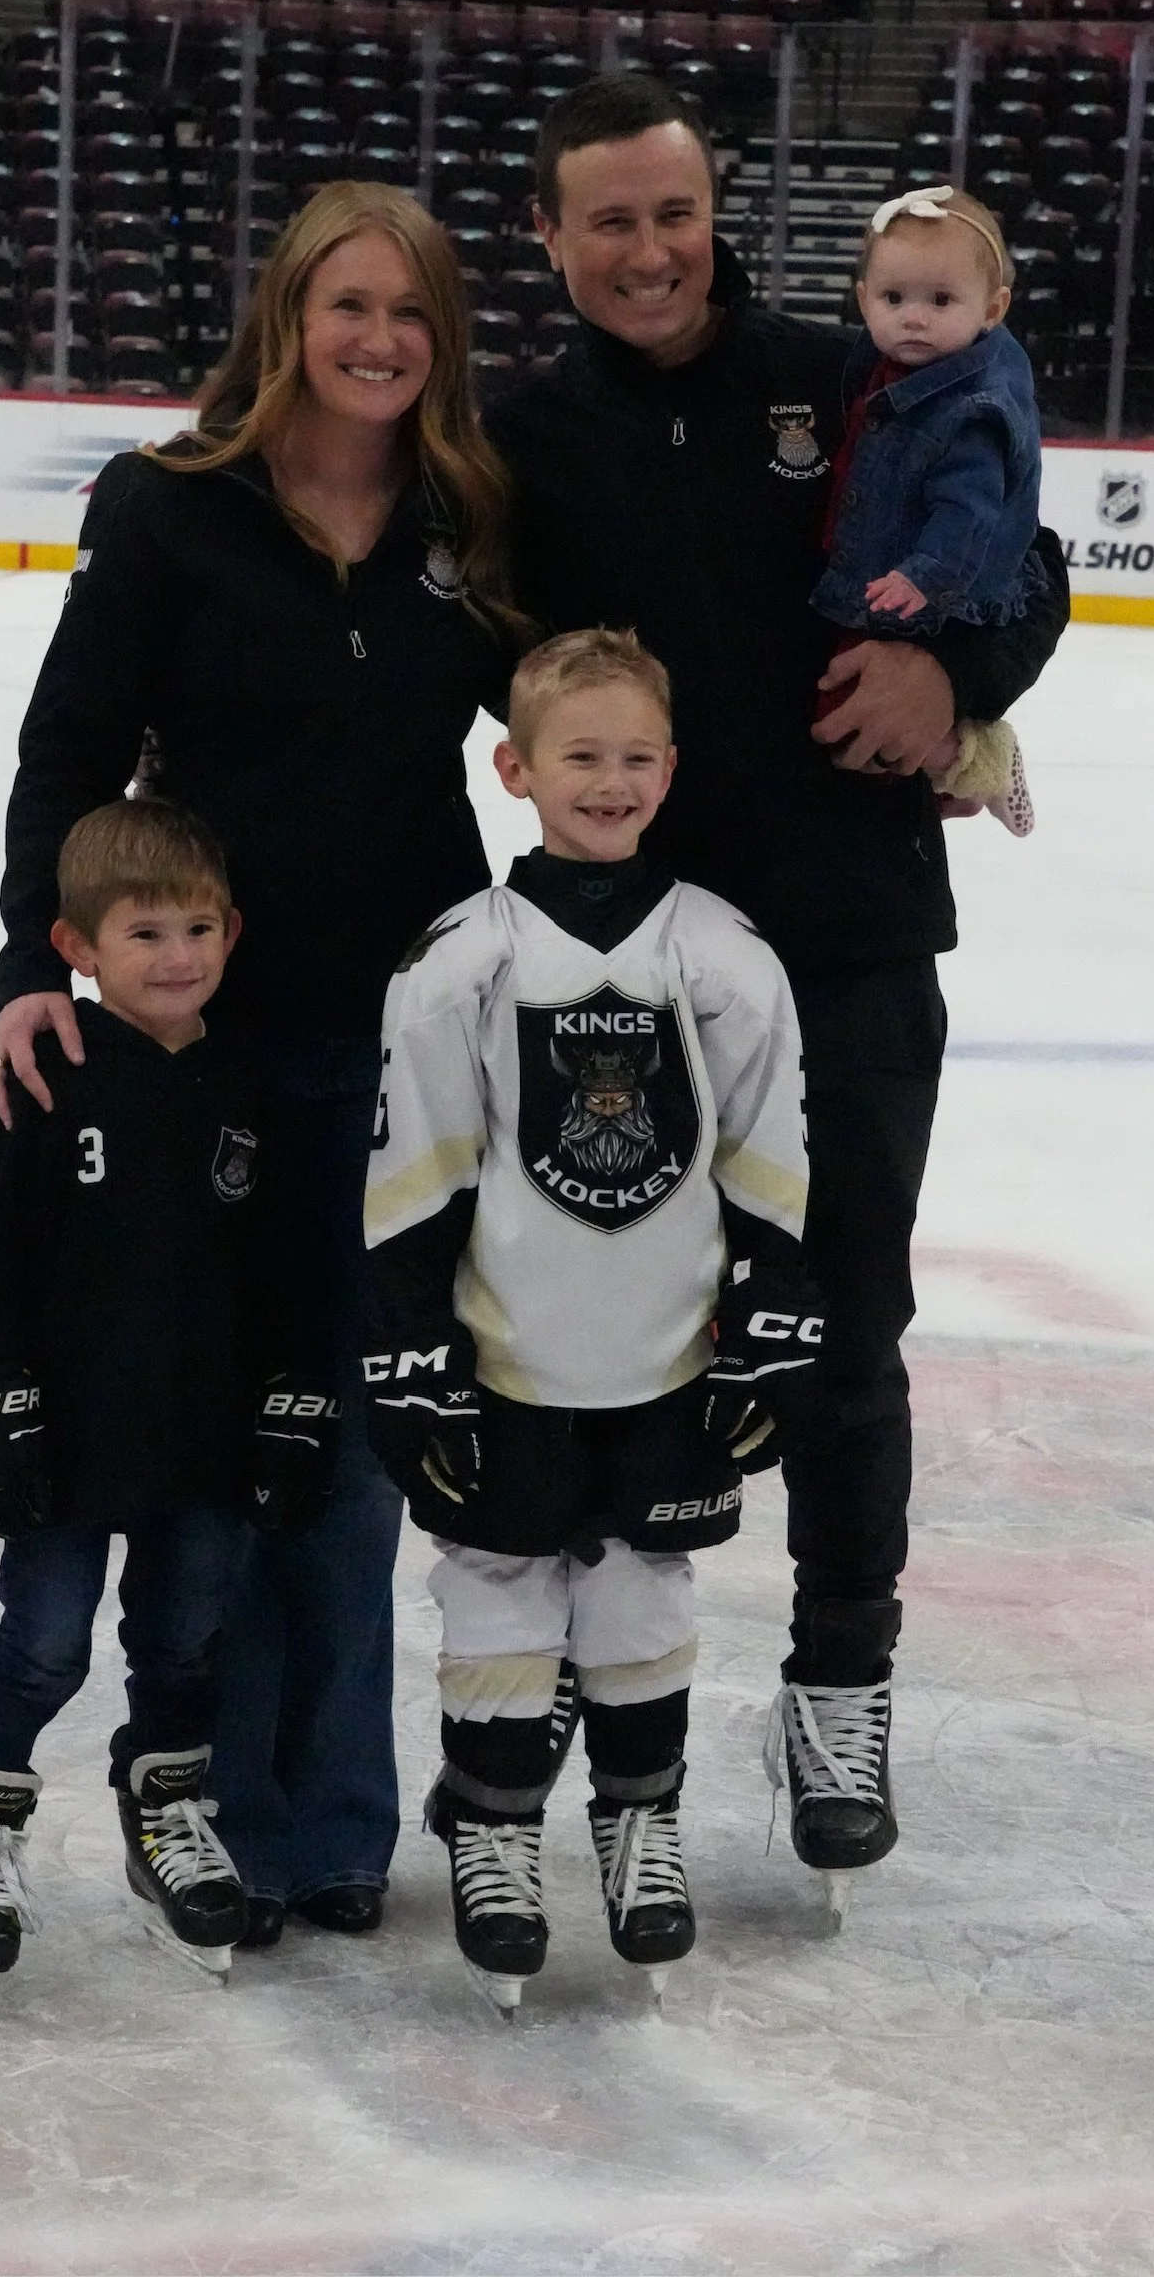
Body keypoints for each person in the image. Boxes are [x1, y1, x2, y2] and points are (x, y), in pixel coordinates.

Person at [486, 76, 1071, 1903]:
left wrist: (959, 682)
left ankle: (837, 1677)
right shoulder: (517, 436)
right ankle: (595, 1665)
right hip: (618, 964)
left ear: (711, 208)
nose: (650, 250)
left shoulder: (849, 374)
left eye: (675, 212)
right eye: (610, 221)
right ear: (551, 238)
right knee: (588, 1324)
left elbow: (1027, 559)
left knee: (843, 1319)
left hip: (847, 942)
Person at [0, 183, 519, 1948]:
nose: (377, 341)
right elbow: (65, 755)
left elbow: (597, 690)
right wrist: (28, 969)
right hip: (204, 1048)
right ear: (282, 317)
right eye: (346, 306)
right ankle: (204, 1794)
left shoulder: (468, 518)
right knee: (227, 1438)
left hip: (406, 1046)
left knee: (349, 1450)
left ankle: (324, 1825)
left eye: (411, 314)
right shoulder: (168, 511)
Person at [362, 629, 819, 2012]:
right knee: (495, 1588)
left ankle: (639, 1823)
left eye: (634, 758)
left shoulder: (727, 956)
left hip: (666, 1362)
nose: (609, 781)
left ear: (671, 771)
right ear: (515, 767)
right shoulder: (459, 963)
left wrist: (775, 1317)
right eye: (581, 756)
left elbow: (769, 1156)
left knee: (640, 1592)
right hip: (510, 1360)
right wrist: (412, 1350)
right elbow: (415, 1169)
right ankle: (497, 1838)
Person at [0, 801, 339, 2000]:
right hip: (67, 1440)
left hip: (204, 1443)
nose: (177, 956)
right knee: (45, 1641)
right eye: (144, 932)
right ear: (76, 947)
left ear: (234, 930)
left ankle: (164, 1814)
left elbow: (293, 1275)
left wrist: (295, 1397)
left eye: (197, 928)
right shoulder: (47, 1081)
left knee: (183, 1640)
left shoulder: (251, 1094)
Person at [812, 183, 1039, 838]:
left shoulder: (971, 413)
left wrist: (925, 575)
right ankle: (949, 773)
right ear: (863, 301)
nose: (914, 318)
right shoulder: (881, 369)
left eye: (941, 301)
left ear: (992, 308)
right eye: (893, 299)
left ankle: (978, 759)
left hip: (917, 593)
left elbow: (968, 511)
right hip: (887, 583)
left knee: (850, 713)